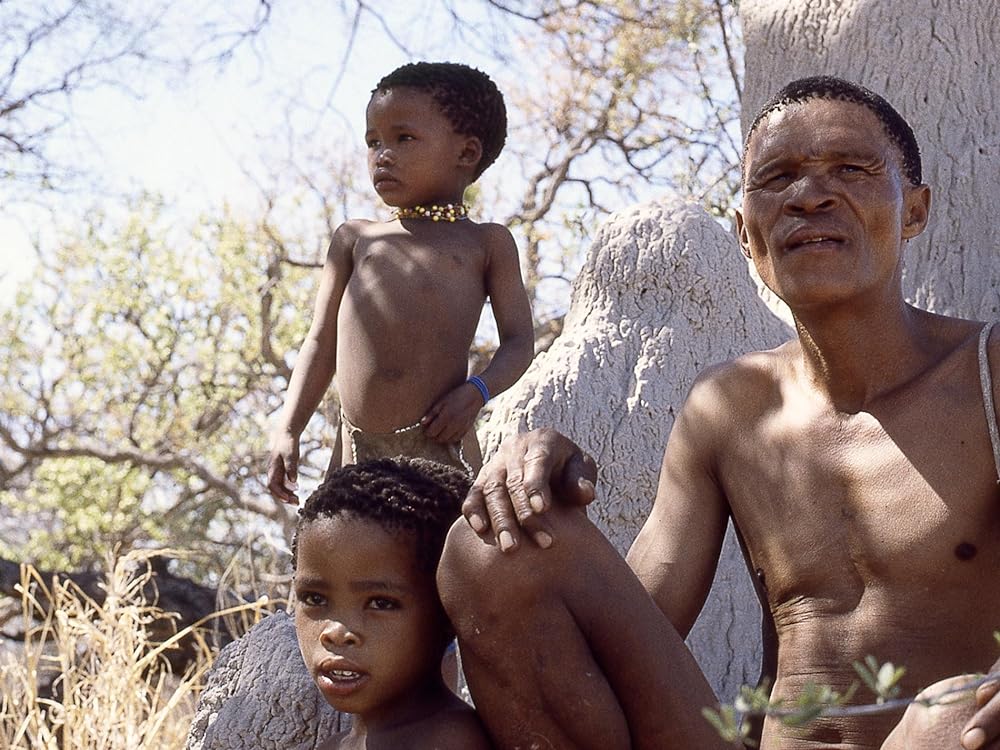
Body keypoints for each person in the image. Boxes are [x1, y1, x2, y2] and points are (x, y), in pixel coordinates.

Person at [436, 76, 1000, 750]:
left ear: (914, 209)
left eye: (850, 168)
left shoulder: (987, 375)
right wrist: (530, 470)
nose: (809, 195)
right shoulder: (729, 408)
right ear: (744, 233)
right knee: (492, 545)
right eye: (778, 176)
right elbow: (635, 629)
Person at [267, 61, 534, 502]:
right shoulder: (355, 238)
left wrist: (476, 392)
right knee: (338, 555)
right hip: (354, 449)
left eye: (403, 138)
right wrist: (287, 428)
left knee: (443, 564)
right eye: (373, 142)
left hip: (439, 444)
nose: (382, 154)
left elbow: (519, 342)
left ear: (466, 153)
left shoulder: (485, 243)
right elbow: (320, 342)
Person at [292, 457, 493, 750]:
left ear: (447, 612)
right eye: (315, 598)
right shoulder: (333, 746)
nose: (335, 632)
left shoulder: (449, 739)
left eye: (380, 603)